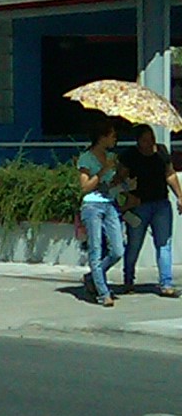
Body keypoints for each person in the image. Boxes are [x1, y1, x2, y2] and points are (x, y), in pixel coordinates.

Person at [120, 122, 181, 298]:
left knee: (164, 243)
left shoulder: (161, 152)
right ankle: (129, 279)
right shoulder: (129, 156)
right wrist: (126, 197)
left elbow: (169, 174)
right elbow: (119, 180)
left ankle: (166, 283)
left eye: (152, 138)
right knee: (134, 244)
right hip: (138, 206)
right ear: (138, 141)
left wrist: (180, 196)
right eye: (146, 139)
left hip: (161, 203)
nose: (150, 143)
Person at [76, 120, 126, 307]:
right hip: (92, 206)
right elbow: (85, 187)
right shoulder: (86, 158)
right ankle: (103, 292)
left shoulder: (112, 156)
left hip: (110, 204)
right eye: (112, 135)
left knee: (117, 250)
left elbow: (111, 184)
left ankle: (93, 276)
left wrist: (120, 179)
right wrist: (103, 170)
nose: (115, 139)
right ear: (102, 137)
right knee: (95, 249)